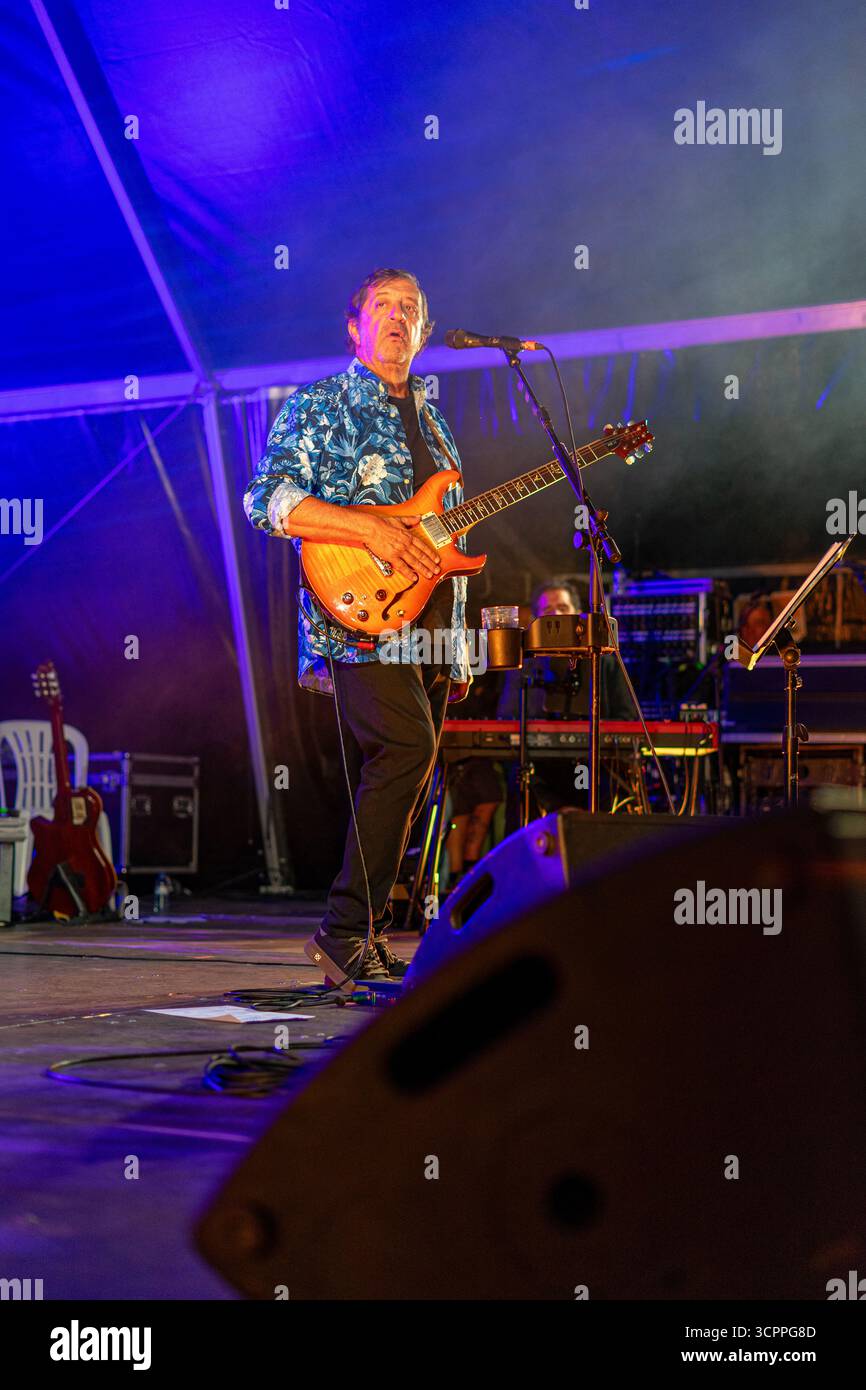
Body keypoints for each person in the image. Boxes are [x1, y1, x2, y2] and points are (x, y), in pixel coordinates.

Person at [244, 269, 472, 985]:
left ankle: (361, 932)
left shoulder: (436, 423)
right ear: (355, 325)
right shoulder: (322, 405)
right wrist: (368, 531)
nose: (399, 316)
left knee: (410, 764)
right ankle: (345, 928)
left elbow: (439, 543)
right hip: (360, 617)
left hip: (429, 628)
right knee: (405, 748)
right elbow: (267, 499)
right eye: (385, 305)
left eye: (413, 308)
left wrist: (456, 653)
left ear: (427, 333)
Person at [497, 577, 633, 814]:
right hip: (539, 767)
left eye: (563, 608)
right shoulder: (524, 665)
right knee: (520, 781)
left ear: (578, 613)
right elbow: (506, 721)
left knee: (606, 787)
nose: (556, 615)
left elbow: (627, 718)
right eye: (548, 610)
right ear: (535, 619)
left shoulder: (604, 663)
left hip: (596, 764)